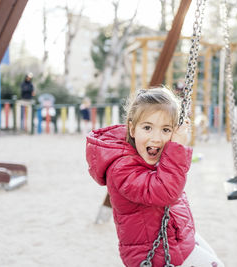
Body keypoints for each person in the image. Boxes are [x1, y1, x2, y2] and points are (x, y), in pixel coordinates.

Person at [86, 87, 224, 267]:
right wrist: (176, 150)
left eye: (166, 130)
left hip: (173, 237)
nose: (157, 138)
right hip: (152, 253)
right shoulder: (121, 168)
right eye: (148, 127)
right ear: (132, 129)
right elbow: (164, 192)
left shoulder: (155, 156)